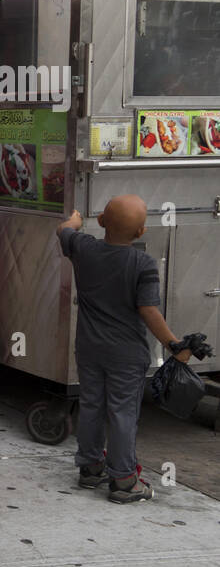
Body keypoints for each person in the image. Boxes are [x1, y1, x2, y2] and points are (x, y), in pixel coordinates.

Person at [57, 197, 191, 502]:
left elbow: (63, 229)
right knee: (122, 413)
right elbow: (148, 310)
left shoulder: (84, 248)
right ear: (141, 231)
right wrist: (173, 344)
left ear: (102, 221)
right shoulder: (142, 263)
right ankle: (124, 480)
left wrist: (76, 219)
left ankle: (90, 467)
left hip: (89, 348)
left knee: (91, 404)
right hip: (126, 354)